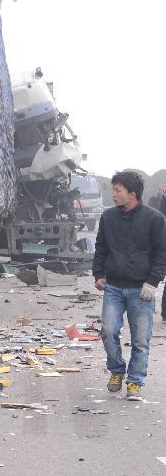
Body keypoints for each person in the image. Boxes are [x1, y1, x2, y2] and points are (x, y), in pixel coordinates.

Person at [93, 170, 166, 400]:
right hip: (113, 286)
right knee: (107, 330)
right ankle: (116, 370)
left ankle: (135, 382)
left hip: (141, 289)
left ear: (132, 194)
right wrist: (98, 274)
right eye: (112, 189)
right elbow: (101, 248)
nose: (113, 194)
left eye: (117, 190)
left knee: (140, 339)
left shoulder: (155, 219)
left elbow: (161, 253)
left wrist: (152, 282)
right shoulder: (108, 218)